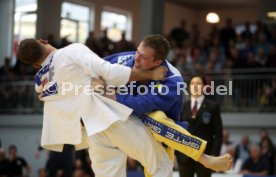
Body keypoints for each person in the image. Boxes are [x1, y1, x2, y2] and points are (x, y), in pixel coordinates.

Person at [16, 38, 172, 177]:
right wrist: (149, 75)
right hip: (107, 118)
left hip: (91, 130)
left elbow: (43, 88)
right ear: (43, 41)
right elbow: (110, 72)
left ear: (36, 64)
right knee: (160, 164)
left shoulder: (40, 83)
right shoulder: (71, 51)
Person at [94, 34, 232, 176]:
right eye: (137, 52)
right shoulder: (127, 59)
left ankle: (203, 158)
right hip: (123, 122)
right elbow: (97, 66)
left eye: (144, 57)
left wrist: (114, 95)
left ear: (157, 62)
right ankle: (203, 158)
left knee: (156, 118)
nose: (136, 58)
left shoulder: (173, 81)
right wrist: (98, 81)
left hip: (160, 133)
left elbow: (142, 105)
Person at [175, 75, 223, 177]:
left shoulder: (212, 106)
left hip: (205, 155)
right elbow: (177, 130)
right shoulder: (182, 106)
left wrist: (214, 154)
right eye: (192, 84)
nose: (195, 86)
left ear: (204, 87)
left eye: (198, 83)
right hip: (184, 155)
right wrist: (175, 153)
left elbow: (218, 133)